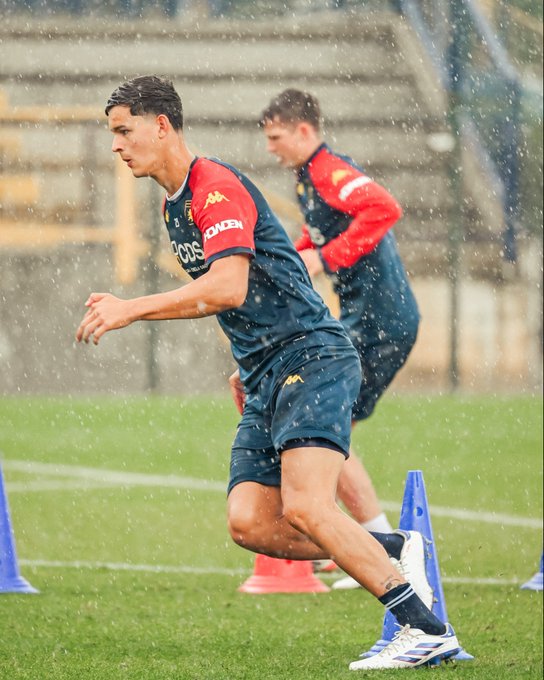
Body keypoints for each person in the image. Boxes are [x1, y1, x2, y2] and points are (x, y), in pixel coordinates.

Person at [75, 75, 459, 670]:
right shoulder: (174, 204)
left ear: (162, 125)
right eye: (113, 134)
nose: (117, 145)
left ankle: (427, 630)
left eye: (124, 131)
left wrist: (132, 308)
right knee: (251, 523)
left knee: (307, 507)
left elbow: (228, 287)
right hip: (265, 371)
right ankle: (391, 545)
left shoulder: (215, 188)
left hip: (310, 356)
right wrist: (247, 360)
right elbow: (249, 289)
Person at [260, 89, 421, 590]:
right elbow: (314, 238)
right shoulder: (309, 179)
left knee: (321, 425)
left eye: (276, 137)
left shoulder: (331, 172)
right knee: (325, 426)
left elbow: (384, 208)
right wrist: (288, 259)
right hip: (364, 320)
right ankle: (365, 542)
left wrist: (325, 258)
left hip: (381, 322)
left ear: (304, 131)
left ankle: (381, 549)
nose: (270, 147)